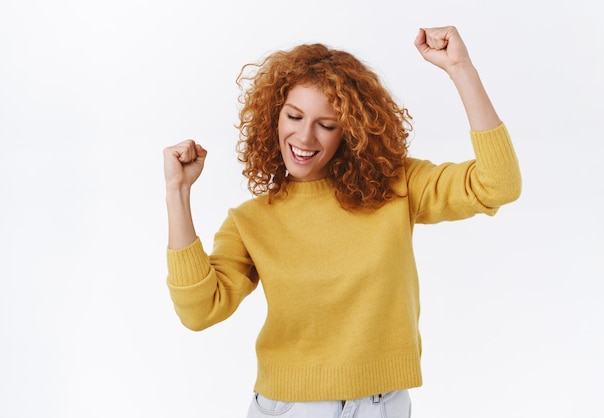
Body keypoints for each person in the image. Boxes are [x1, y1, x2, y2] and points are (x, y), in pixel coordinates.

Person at [163, 26, 522, 418]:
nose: (304, 136)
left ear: (349, 132)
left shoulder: (397, 187)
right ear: (274, 117)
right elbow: (199, 312)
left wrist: (461, 70)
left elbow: (498, 185)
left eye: (326, 124)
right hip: (290, 407)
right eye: (294, 116)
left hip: (382, 404)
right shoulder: (250, 221)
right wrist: (178, 193)